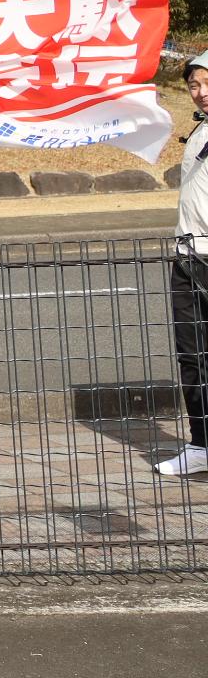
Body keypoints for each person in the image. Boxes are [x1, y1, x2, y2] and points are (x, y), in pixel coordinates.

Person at [160, 51, 208, 477]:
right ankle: (201, 444)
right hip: (190, 256)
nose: (201, 92)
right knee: (193, 356)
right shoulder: (199, 131)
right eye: (194, 85)